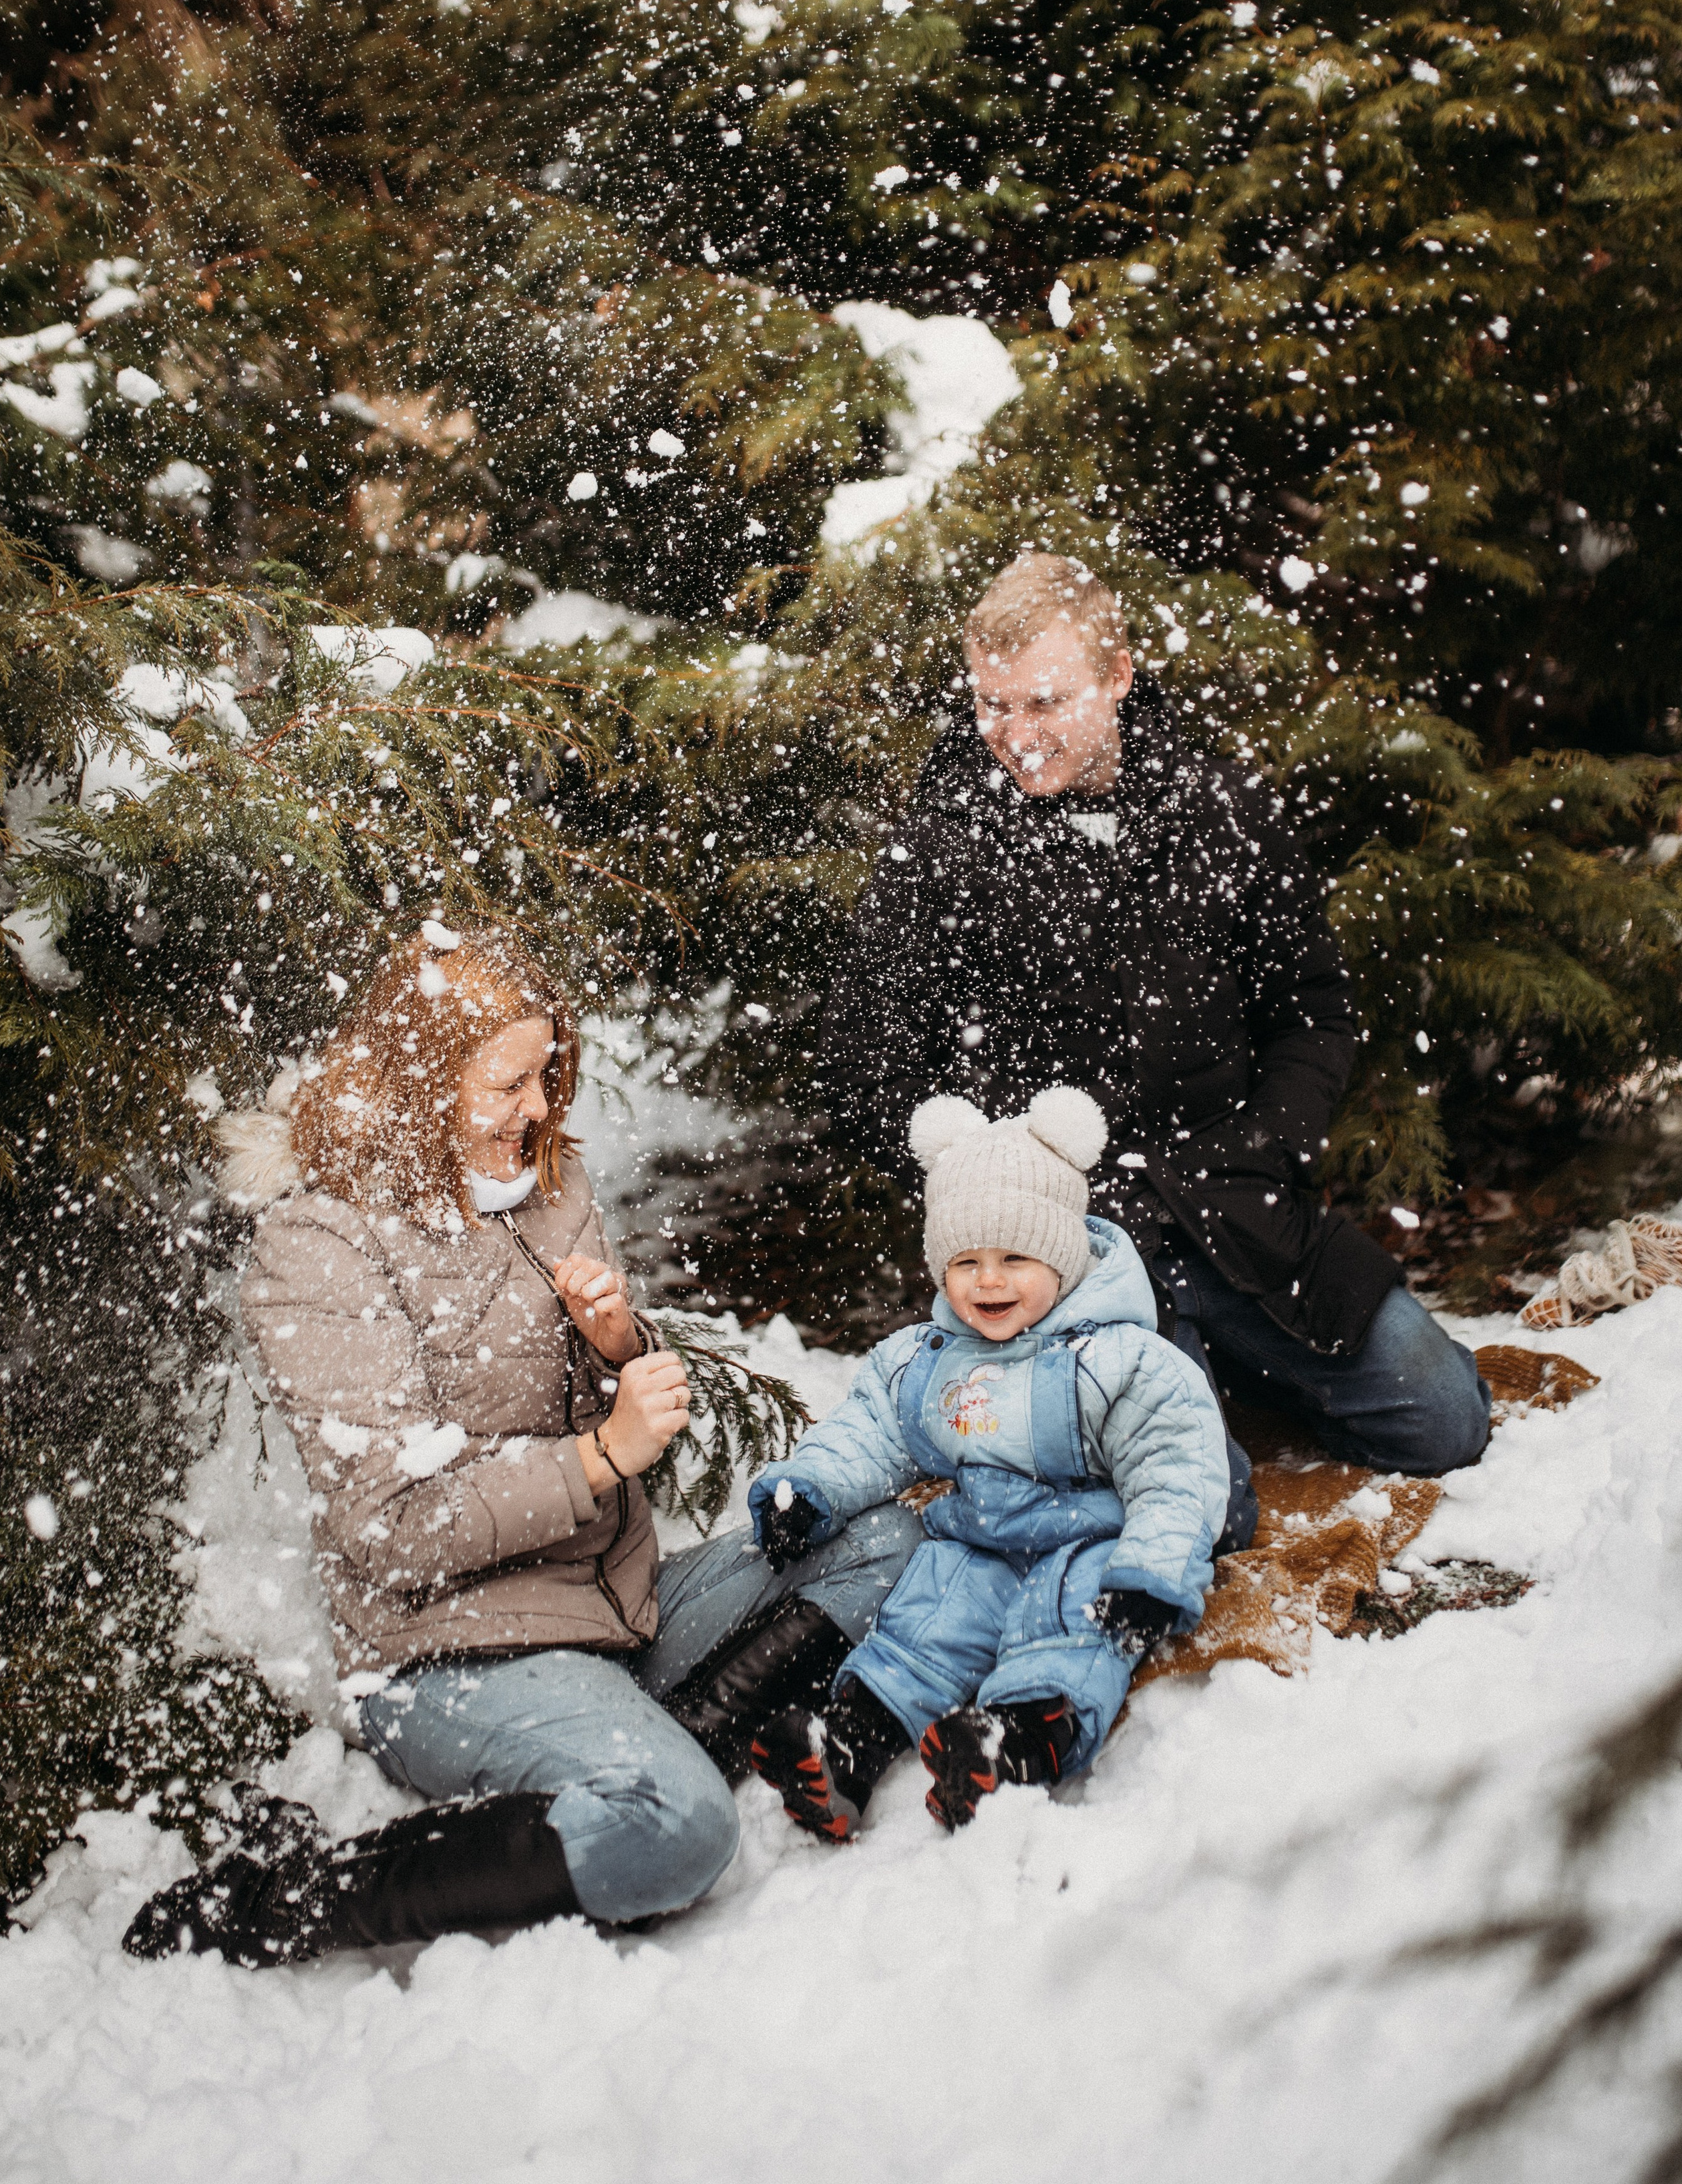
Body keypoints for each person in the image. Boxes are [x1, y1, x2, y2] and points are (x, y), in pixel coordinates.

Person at [124, 922, 918, 1967]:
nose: (538, 1110)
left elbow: (602, 1409)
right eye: (506, 1084)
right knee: (679, 1831)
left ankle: (640, 1741)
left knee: (882, 1545)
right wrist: (601, 1457)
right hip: (448, 1655)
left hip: (610, 1609)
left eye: (547, 1076)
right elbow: (389, 1530)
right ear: (418, 1078)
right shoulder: (321, 1244)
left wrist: (614, 1349)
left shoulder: (551, 1192)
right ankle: (299, 1899)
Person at [818, 552, 1490, 1547]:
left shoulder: (1221, 810)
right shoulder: (944, 845)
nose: (1016, 736)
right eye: (993, 707)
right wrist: (980, 1172)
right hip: (1068, 1255)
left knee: (1446, 1420)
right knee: (1208, 1513)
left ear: (1120, 675)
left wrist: (1267, 1146)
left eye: (1045, 702)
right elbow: (859, 1062)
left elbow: (1314, 1010)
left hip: (1232, 1207)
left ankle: (1223, 1359)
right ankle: (1147, 1399)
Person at [745, 1087, 1228, 1838]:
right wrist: (807, 1490)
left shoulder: (1121, 1361)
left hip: (1087, 1542)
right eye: (964, 1261)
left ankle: (1016, 1743)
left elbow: (1176, 1469)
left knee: (1067, 1629)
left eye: (1014, 1258)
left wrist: (1153, 1571)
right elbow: (870, 1430)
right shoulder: (926, 1360)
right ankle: (850, 1747)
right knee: (925, 1621)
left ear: (1063, 1259)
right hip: (978, 1543)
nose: (988, 1281)